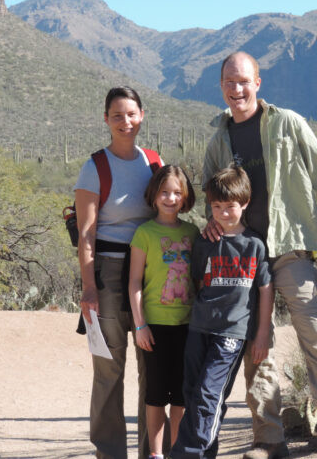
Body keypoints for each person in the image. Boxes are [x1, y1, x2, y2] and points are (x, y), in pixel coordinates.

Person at [201, 52, 317, 459]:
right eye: (229, 82)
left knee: (315, 333)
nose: (236, 89)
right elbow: (209, 194)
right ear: (221, 86)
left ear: (258, 82)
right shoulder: (217, 140)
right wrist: (207, 223)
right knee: (257, 345)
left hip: (291, 245)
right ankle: (268, 439)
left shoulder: (287, 123)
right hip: (244, 256)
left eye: (243, 81)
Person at [75, 86, 165, 459]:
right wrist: (89, 288)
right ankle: (109, 453)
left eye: (130, 114)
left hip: (151, 274)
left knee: (153, 370)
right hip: (108, 274)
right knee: (109, 370)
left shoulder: (155, 163)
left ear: (142, 115)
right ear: (106, 119)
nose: (124, 122)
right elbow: (86, 233)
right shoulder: (95, 166)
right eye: (116, 115)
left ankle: (152, 452)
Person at [170, 166, 274, 459]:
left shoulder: (254, 244)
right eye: (217, 207)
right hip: (200, 326)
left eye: (230, 207)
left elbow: (265, 288)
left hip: (232, 332)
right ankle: (205, 452)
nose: (223, 213)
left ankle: (187, 452)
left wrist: (262, 332)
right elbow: (199, 281)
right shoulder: (206, 241)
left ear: (244, 204)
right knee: (192, 392)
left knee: (209, 393)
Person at [128, 165, 199, 459]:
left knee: (181, 396)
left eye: (177, 193)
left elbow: (199, 280)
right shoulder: (144, 233)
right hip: (154, 326)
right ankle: (156, 454)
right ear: (154, 195)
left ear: (185, 198)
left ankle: (177, 452)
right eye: (164, 192)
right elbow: (134, 282)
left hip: (188, 326)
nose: (170, 198)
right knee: (156, 395)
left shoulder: (193, 232)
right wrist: (140, 325)